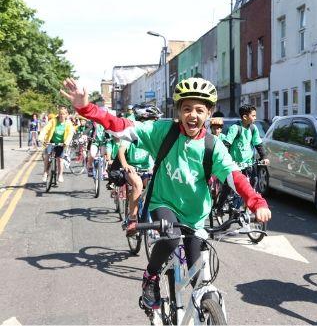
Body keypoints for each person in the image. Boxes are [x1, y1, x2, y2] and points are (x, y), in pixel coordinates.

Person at [61, 77, 271, 310]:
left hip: (195, 214)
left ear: (209, 113)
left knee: (198, 276)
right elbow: (121, 125)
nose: (193, 115)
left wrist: (256, 202)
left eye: (200, 110)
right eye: (187, 108)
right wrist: (86, 108)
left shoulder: (213, 146)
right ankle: (150, 277)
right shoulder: (163, 132)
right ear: (179, 111)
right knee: (171, 238)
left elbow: (235, 177)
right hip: (164, 202)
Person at [117, 104, 161, 237]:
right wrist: (125, 164)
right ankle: (132, 218)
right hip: (132, 168)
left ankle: (154, 218)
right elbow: (121, 150)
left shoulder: (153, 135)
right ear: (143, 120)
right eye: (153, 120)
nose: (155, 123)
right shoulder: (133, 132)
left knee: (158, 188)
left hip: (147, 169)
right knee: (137, 185)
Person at [216, 104, 270, 211]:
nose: (255, 118)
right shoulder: (235, 128)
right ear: (245, 117)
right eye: (253, 116)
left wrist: (264, 156)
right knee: (228, 187)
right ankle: (219, 208)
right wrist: (224, 160)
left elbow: (258, 144)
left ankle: (244, 206)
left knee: (253, 182)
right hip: (235, 165)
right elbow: (226, 144)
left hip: (248, 164)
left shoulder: (253, 129)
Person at [38, 105, 74, 183]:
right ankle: (45, 172)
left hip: (62, 143)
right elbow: (45, 129)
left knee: (60, 159)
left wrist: (66, 143)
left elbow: (70, 133)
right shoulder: (53, 121)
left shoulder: (68, 123)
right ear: (58, 114)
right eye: (60, 114)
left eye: (63, 114)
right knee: (47, 155)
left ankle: (60, 175)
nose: (62, 115)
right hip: (51, 141)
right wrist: (41, 138)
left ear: (66, 115)